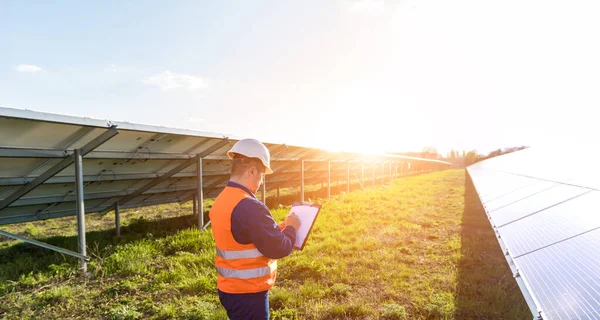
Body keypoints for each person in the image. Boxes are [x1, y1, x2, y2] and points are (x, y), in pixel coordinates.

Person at [209, 138, 301, 320]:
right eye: (261, 176)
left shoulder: (222, 200)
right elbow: (278, 248)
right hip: (248, 293)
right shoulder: (249, 205)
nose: (260, 182)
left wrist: (278, 228)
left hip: (230, 289)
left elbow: (244, 236)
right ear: (252, 171)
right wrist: (291, 228)